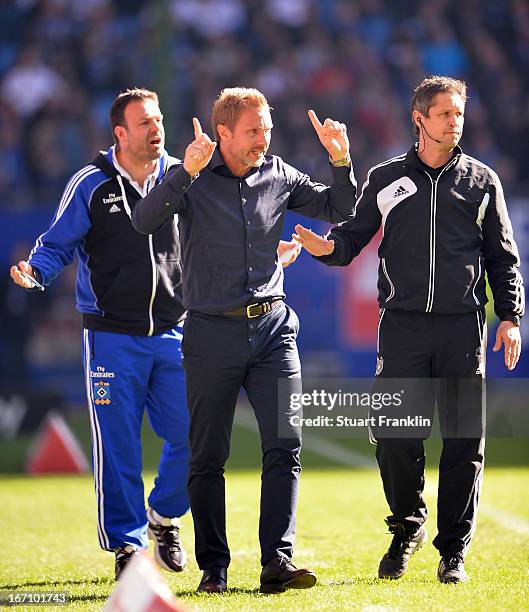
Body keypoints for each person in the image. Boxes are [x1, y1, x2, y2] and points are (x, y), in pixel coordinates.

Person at [293, 76, 524, 584]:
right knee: (396, 436)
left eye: (458, 113)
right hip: (401, 329)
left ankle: (454, 552)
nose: (454, 122)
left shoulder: (482, 182)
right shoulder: (386, 177)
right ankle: (405, 529)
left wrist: (509, 318)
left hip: (464, 330)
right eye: (444, 113)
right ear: (419, 119)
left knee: (465, 439)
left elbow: (503, 259)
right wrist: (325, 249)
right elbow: (350, 241)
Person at [132, 87, 356, 593]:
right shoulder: (191, 176)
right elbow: (144, 220)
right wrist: (183, 172)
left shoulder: (279, 174)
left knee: (286, 446)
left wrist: (341, 159)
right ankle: (214, 568)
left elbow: (340, 206)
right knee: (207, 456)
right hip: (211, 332)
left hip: (274, 330)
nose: (263, 139)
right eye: (253, 131)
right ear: (224, 132)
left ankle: (277, 561)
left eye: (267, 130)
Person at [10, 88, 190, 580]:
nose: (157, 130)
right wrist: (37, 272)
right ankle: (128, 547)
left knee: (197, 435)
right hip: (111, 338)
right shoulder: (90, 184)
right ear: (120, 133)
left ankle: (164, 516)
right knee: (118, 447)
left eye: (159, 120)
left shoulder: (182, 176)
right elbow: (55, 244)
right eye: (145, 123)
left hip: (176, 333)